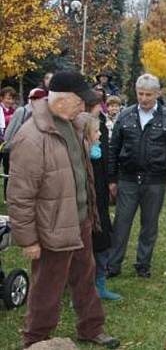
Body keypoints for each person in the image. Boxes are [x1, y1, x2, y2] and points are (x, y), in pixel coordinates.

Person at [7, 71, 119, 349]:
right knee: (47, 286)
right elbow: (20, 195)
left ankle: (91, 327)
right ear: (63, 99)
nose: (84, 107)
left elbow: (89, 122)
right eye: (80, 102)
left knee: (85, 277)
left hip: (80, 220)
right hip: (51, 227)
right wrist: (29, 239)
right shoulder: (31, 138)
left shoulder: (74, 124)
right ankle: (35, 339)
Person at [107, 73, 166, 278]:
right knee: (121, 224)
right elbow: (113, 148)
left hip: (154, 180)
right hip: (128, 178)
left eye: (148, 94)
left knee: (149, 225)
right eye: (140, 94)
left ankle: (143, 264)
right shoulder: (125, 115)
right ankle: (113, 265)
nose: (144, 98)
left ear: (157, 94)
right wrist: (111, 178)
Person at [81, 107, 121, 301]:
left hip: (101, 207)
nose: (100, 134)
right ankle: (82, 291)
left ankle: (100, 285)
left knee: (102, 246)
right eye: (96, 132)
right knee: (84, 254)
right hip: (84, 211)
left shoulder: (99, 152)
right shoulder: (79, 158)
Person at [2, 88, 47, 202]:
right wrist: (7, 144)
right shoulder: (22, 111)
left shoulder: (44, 114)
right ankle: (10, 198)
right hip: (14, 148)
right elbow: (9, 133)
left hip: (32, 149)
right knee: (12, 174)